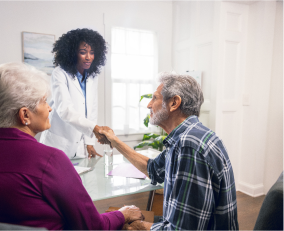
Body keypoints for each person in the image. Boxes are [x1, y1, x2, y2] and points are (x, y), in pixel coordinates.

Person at [0, 63, 143, 231]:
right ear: (25, 115)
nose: (49, 108)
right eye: (44, 101)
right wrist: (123, 213)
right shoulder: (51, 160)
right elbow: (91, 226)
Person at [99, 73, 239, 231]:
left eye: (154, 98)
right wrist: (114, 141)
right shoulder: (190, 136)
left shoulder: (189, 146)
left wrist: (139, 226)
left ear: (174, 102)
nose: (149, 105)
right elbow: (153, 169)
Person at [40, 28, 109, 159]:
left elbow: (92, 110)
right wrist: (94, 128)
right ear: (72, 53)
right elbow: (65, 110)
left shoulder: (92, 76)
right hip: (58, 143)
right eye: (83, 52)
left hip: (80, 145)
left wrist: (89, 143)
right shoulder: (59, 73)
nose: (88, 57)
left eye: (92, 52)